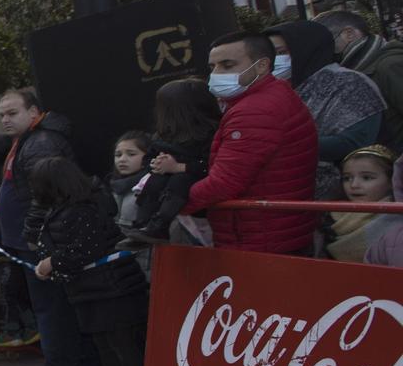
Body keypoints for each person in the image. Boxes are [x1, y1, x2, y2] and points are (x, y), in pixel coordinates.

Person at [29, 158, 149, 366]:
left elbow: (85, 249)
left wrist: (52, 263)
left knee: (123, 347)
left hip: (112, 288)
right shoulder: (69, 208)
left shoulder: (82, 209)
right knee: (107, 348)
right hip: (93, 289)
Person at [178, 33, 320, 253]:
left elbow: (225, 182)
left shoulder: (253, 111)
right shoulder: (276, 93)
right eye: (213, 66)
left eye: (227, 65)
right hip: (278, 230)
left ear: (262, 65)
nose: (216, 74)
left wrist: (176, 204)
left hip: (259, 237)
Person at [0, 87, 87, 366]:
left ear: (33, 112)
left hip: (40, 244)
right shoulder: (27, 142)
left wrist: (33, 237)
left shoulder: (40, 143)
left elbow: (43, 195)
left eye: (12, 113)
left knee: (51, 306)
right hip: (32, 241)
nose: (5, 120)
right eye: (2, 115)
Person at [269, 20, 387, 198]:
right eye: (269, 54)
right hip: (290, 192)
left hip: (348, 193)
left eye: (282, 53)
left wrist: (281, 143)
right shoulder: (278, 89)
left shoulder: (350, 84)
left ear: (307, 49)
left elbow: (354, 142)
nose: (274, 60)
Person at [126, 80, 222, 243]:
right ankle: (142, 225)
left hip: (200, 207)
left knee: (180, 180)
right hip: (171, 198)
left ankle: (160, 226)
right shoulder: (164, 135)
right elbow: (149, 158)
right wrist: (156, 164)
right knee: (155, 181)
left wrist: (179, 167)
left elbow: (213, 166)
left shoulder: (210, 134)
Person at [318, 8, 403, 141]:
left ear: (349, 34)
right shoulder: (354, 71)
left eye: (329, 41)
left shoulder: (389, 65)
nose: (326, 49)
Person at [324, 145, 397, 263]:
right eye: (347, 178)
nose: (354, 185)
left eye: (367, 178)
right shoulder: (328, 217)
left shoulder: (397, 218)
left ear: (391, 181)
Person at [109, 132, 151, 223]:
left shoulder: (151, 185)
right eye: (118, 155)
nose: (122, 159)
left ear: (148, 156)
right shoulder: (111, 186)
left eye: (131, 154)